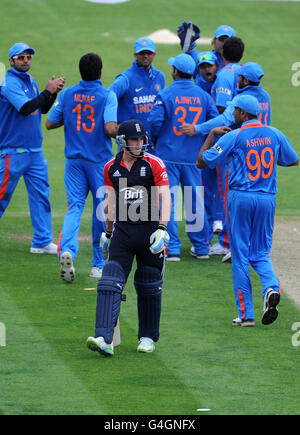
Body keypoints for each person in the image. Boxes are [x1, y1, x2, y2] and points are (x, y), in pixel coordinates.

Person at [196, 95, 299, 326]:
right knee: (261, 252)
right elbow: (293, 160)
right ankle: (271, 288)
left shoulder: (235, 135)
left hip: (240, 198)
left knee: (240, 254)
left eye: (235, 111)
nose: (232, 114)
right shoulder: (274, 133)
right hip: (267, 198)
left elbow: (202, 162)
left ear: (243, 114)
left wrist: (211, 135)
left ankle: (246, 315)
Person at [86, 119, 171, 356]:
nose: (139, 143)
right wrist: (109, 232)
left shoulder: (154, 164)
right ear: (122, 142)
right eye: (135, 139)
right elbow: (110, 204)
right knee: (109, 280)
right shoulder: (110, 168)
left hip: (150, 230)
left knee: (149, 283)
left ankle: (147, 338)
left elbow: (166, 196)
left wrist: (163, 228)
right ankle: (104, 339)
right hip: (123, 232)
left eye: (142, 139)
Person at [46, 53, 118, 282]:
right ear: (100, 70)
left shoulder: (67, 94)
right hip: (99, 162)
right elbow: (109, 129)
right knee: (102, 210)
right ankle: (98, 264)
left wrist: (70, 119)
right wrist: (122, 130)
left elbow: (49, 123)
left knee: (75, 207)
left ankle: (67, 249)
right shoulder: (108, 95)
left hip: (74, 162)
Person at [148, 53, 219, 261]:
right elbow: (215, 123)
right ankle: (201, 247)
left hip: (168, 156)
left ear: (175, 71)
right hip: (193, 157)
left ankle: (172, 248)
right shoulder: (203, 97)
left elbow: (154, 123)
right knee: (194, 200)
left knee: (167, 201)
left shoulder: (166, 94)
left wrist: (154, 139)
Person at [0, 42, 65, 254]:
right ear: (11, 61)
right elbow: (27, 108)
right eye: (21, 57)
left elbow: (42, 108)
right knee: (2, 196)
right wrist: (47, 91)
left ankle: (42, 241)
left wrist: (52, 92)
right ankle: (42, 240)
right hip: (13, 151)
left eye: (28, 57)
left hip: (35, 151)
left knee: (40, 196)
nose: (26, 60)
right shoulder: (9, 82)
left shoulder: (29, 80)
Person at [109, 37, 165, 152]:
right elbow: (107, 98)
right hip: (130, 145)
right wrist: (113, 123)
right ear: (135, 55)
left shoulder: (160, 77)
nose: (145, 56)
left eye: (149, 53)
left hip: (152, 145)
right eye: (142, 53)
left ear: (154, 54)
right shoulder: (125, 79)